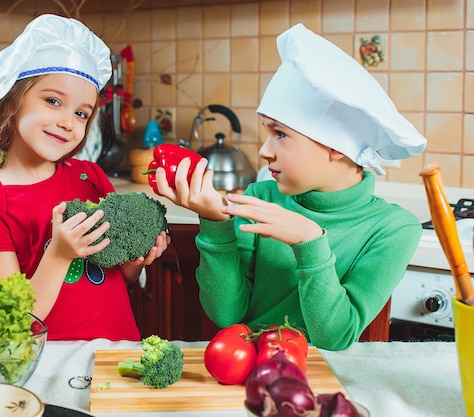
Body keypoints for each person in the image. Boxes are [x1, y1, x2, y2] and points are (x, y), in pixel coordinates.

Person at [154, 24, 427, 351]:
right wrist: (216, 223)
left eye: (280, 134)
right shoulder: (259, 199)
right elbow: (227, 316)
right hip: (245, 372)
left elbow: (335, 338)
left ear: (335, 146)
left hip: (325, 387)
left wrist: (310, 242)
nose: (264, 150)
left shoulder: (394, 229)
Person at [0, 14, 170, 341]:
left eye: (81, 113)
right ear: (12, 101)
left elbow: (121, 273)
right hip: (49, 362)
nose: (68, 122)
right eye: (53, 101)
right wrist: (58, 254)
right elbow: (16, 319)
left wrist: (138, 257)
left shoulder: (91, 177)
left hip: (118, 350)